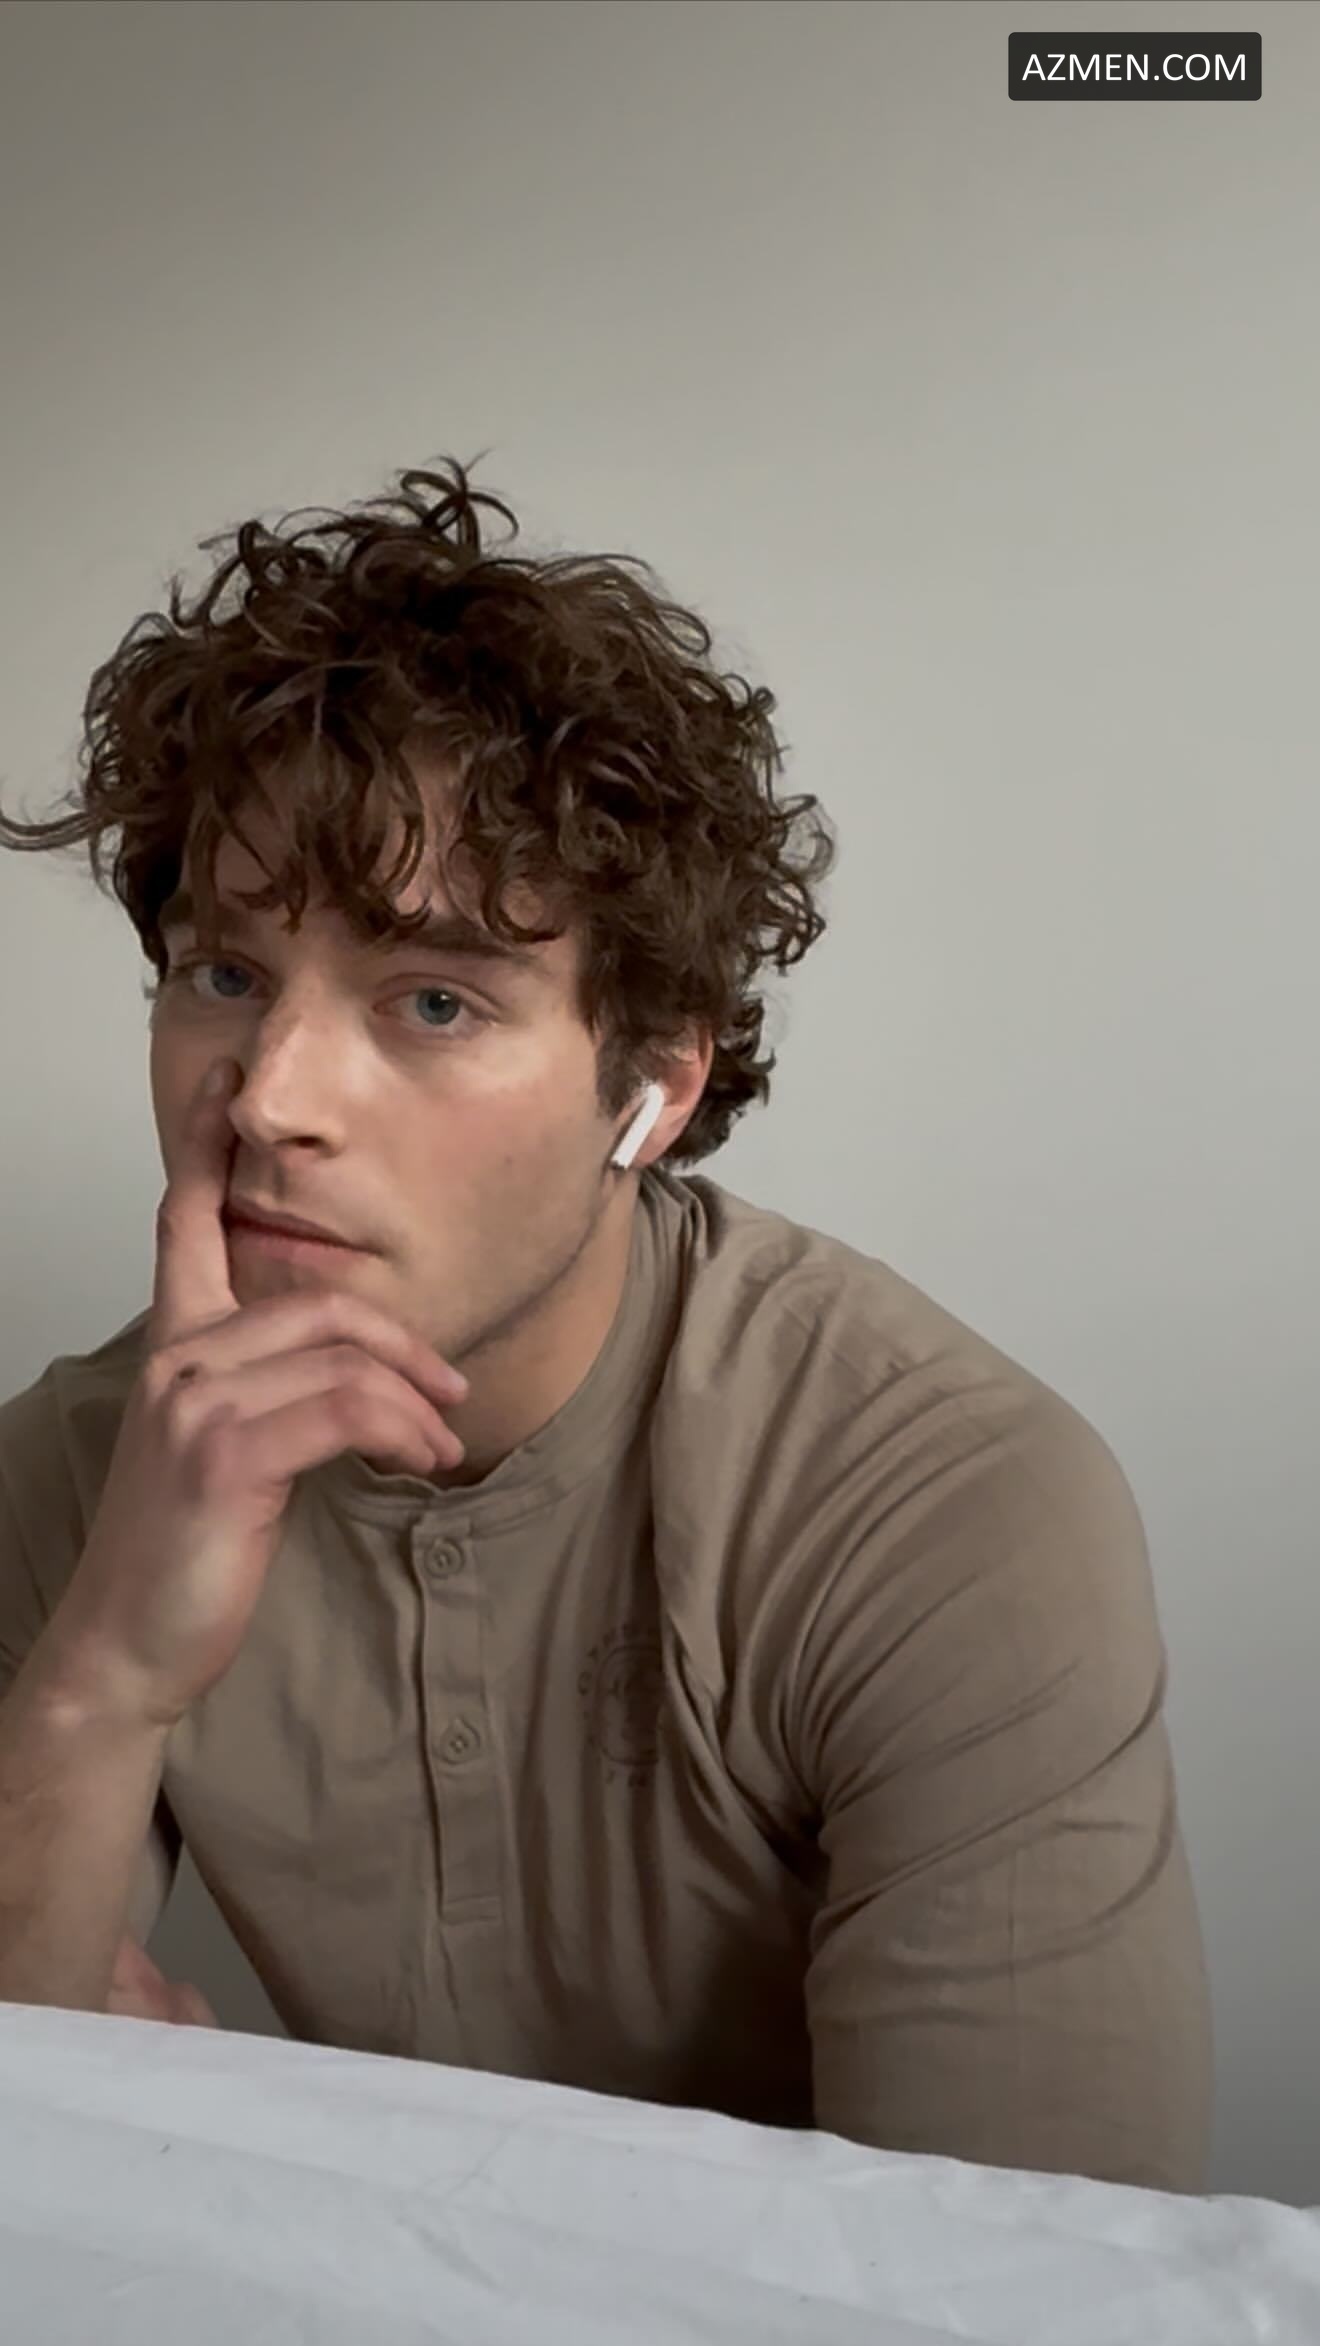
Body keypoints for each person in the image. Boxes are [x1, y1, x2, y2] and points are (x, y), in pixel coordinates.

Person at [0, 459, 1211, 2189]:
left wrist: (259, 2156)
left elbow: (1016, 2283)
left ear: (652, 1089)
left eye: (434, 999)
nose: (269, 1097)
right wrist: (105, 1677)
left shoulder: (947, 1509)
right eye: (226, 973)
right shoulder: (85, 1467)